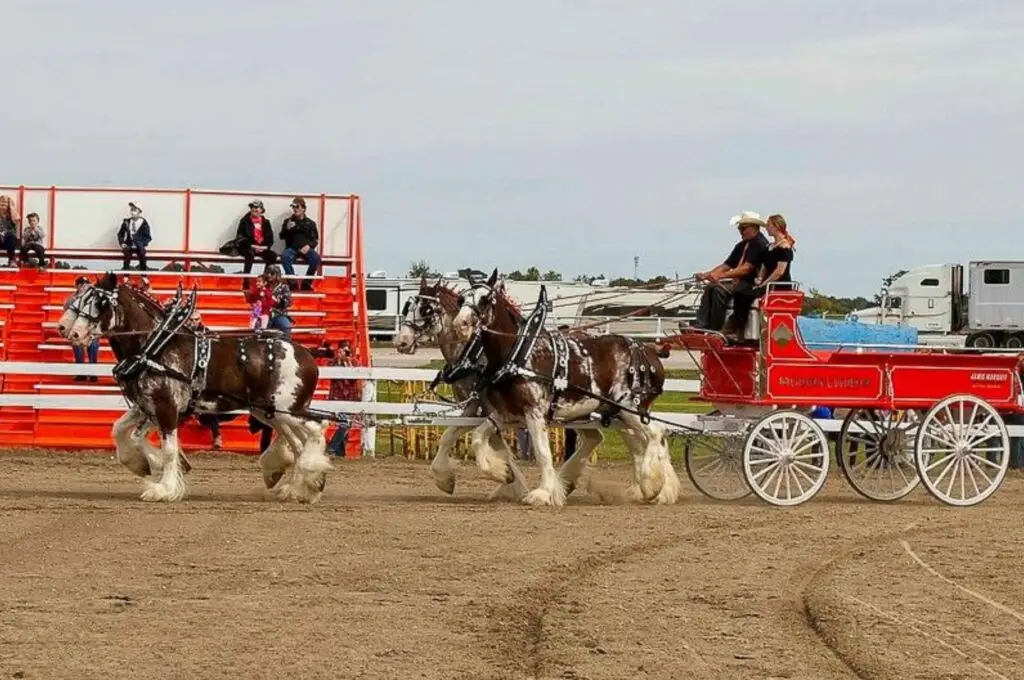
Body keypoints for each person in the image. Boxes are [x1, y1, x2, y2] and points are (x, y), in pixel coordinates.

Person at [690, 211, 769, 337]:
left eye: (743, 228)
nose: (740, 231)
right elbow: (726, 265)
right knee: (710, 287)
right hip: (737, 282)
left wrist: (719, 276)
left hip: (750, 283)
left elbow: (746, 269)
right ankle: (701, 326)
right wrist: (707, 274)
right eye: (739, 229)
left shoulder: (760, 244)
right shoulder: (741, 245)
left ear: (754, 227)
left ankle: (716, 329)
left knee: (718, 290)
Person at [725, 214, 796, 341]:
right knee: (740, 292)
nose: (766, 228)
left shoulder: (784, 247)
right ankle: (737, 329)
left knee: (746, 294)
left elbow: (779, 272)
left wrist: (764, 283)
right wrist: (759, 278)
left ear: (775, 226)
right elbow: (764, 266)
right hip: (767, 282)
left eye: (768, 225)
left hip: (778, 285)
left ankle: (737, 329)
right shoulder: (770, 247)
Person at [324, 339, 359, 457]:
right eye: (343, 349)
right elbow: (331, 377)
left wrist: (348, 363)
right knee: (344, 422)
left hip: (350, 395)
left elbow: (355, 378)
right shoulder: (333, 362)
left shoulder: (354, 362)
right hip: (337, 395)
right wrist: (338, 361)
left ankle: (333, 447)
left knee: (346, 423)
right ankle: (338, 451)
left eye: (347, 349)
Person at [279, 197, 321, 291]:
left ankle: (306, 283)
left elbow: (316, 240)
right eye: (293, 207)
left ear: (303, 208)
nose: (295, 209)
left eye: (297, 207)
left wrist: (309, 246)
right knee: (285, 256)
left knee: (316, 258)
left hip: (306, 249)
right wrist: (287, 229)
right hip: (292, 248)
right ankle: (292, 282)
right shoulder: (288, 221)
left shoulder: (310, 223)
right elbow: (281, 236)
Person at [65, 276, 100, 381]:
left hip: (90, 327)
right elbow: (67, 310)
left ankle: (93, 373)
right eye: (81, 285)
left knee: (93, 346)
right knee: (77, 347)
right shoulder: (72, 298)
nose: (83, 287)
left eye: (85, 284)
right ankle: (81, 372)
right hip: (77, 327)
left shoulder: (93, 298)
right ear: (77, 286)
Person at [235, 199, 277, 282]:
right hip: (249, 247)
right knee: (249, 254)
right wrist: (252, 246)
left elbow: (270, 239)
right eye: (252, 207)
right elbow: (240, 237)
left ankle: (265, 280)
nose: (254, 209)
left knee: (272, 256)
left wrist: (264, 247)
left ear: (261, 210)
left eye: (257, 207)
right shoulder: (244, 221)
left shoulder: (266, 222)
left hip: (262, 247)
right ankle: (246, 281)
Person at [116, 202, 151, 271]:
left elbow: (148, 237)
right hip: (129, 245)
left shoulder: (144, 223)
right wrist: (122, 243)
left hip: (139, 246)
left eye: (135, 210)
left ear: (139, 211)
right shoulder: (127, 222)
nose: (132, 212)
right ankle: (126, 276)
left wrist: (141, 243)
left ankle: (144, 275)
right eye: (131, 210)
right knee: (127, 256)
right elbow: (120, 234)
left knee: (142, 256)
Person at [263, 265, 294, 337]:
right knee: (258, 326)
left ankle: (286, 345)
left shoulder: (284, 286)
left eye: (272, 273)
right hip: (265, 314)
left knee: (286, 326)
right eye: (267, 273)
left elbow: (288, 302)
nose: (269, 275)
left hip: (279, 314)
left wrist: (278, 301)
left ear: (277, 275)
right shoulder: (263, 286)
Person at [0, 195, 20, 267]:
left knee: (10, 234)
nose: (3, 204)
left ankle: (12, 260)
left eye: (5, 203)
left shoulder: (13, 215)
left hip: (9, 242)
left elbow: (17, 219)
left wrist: (12, 207)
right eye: (1, 202)